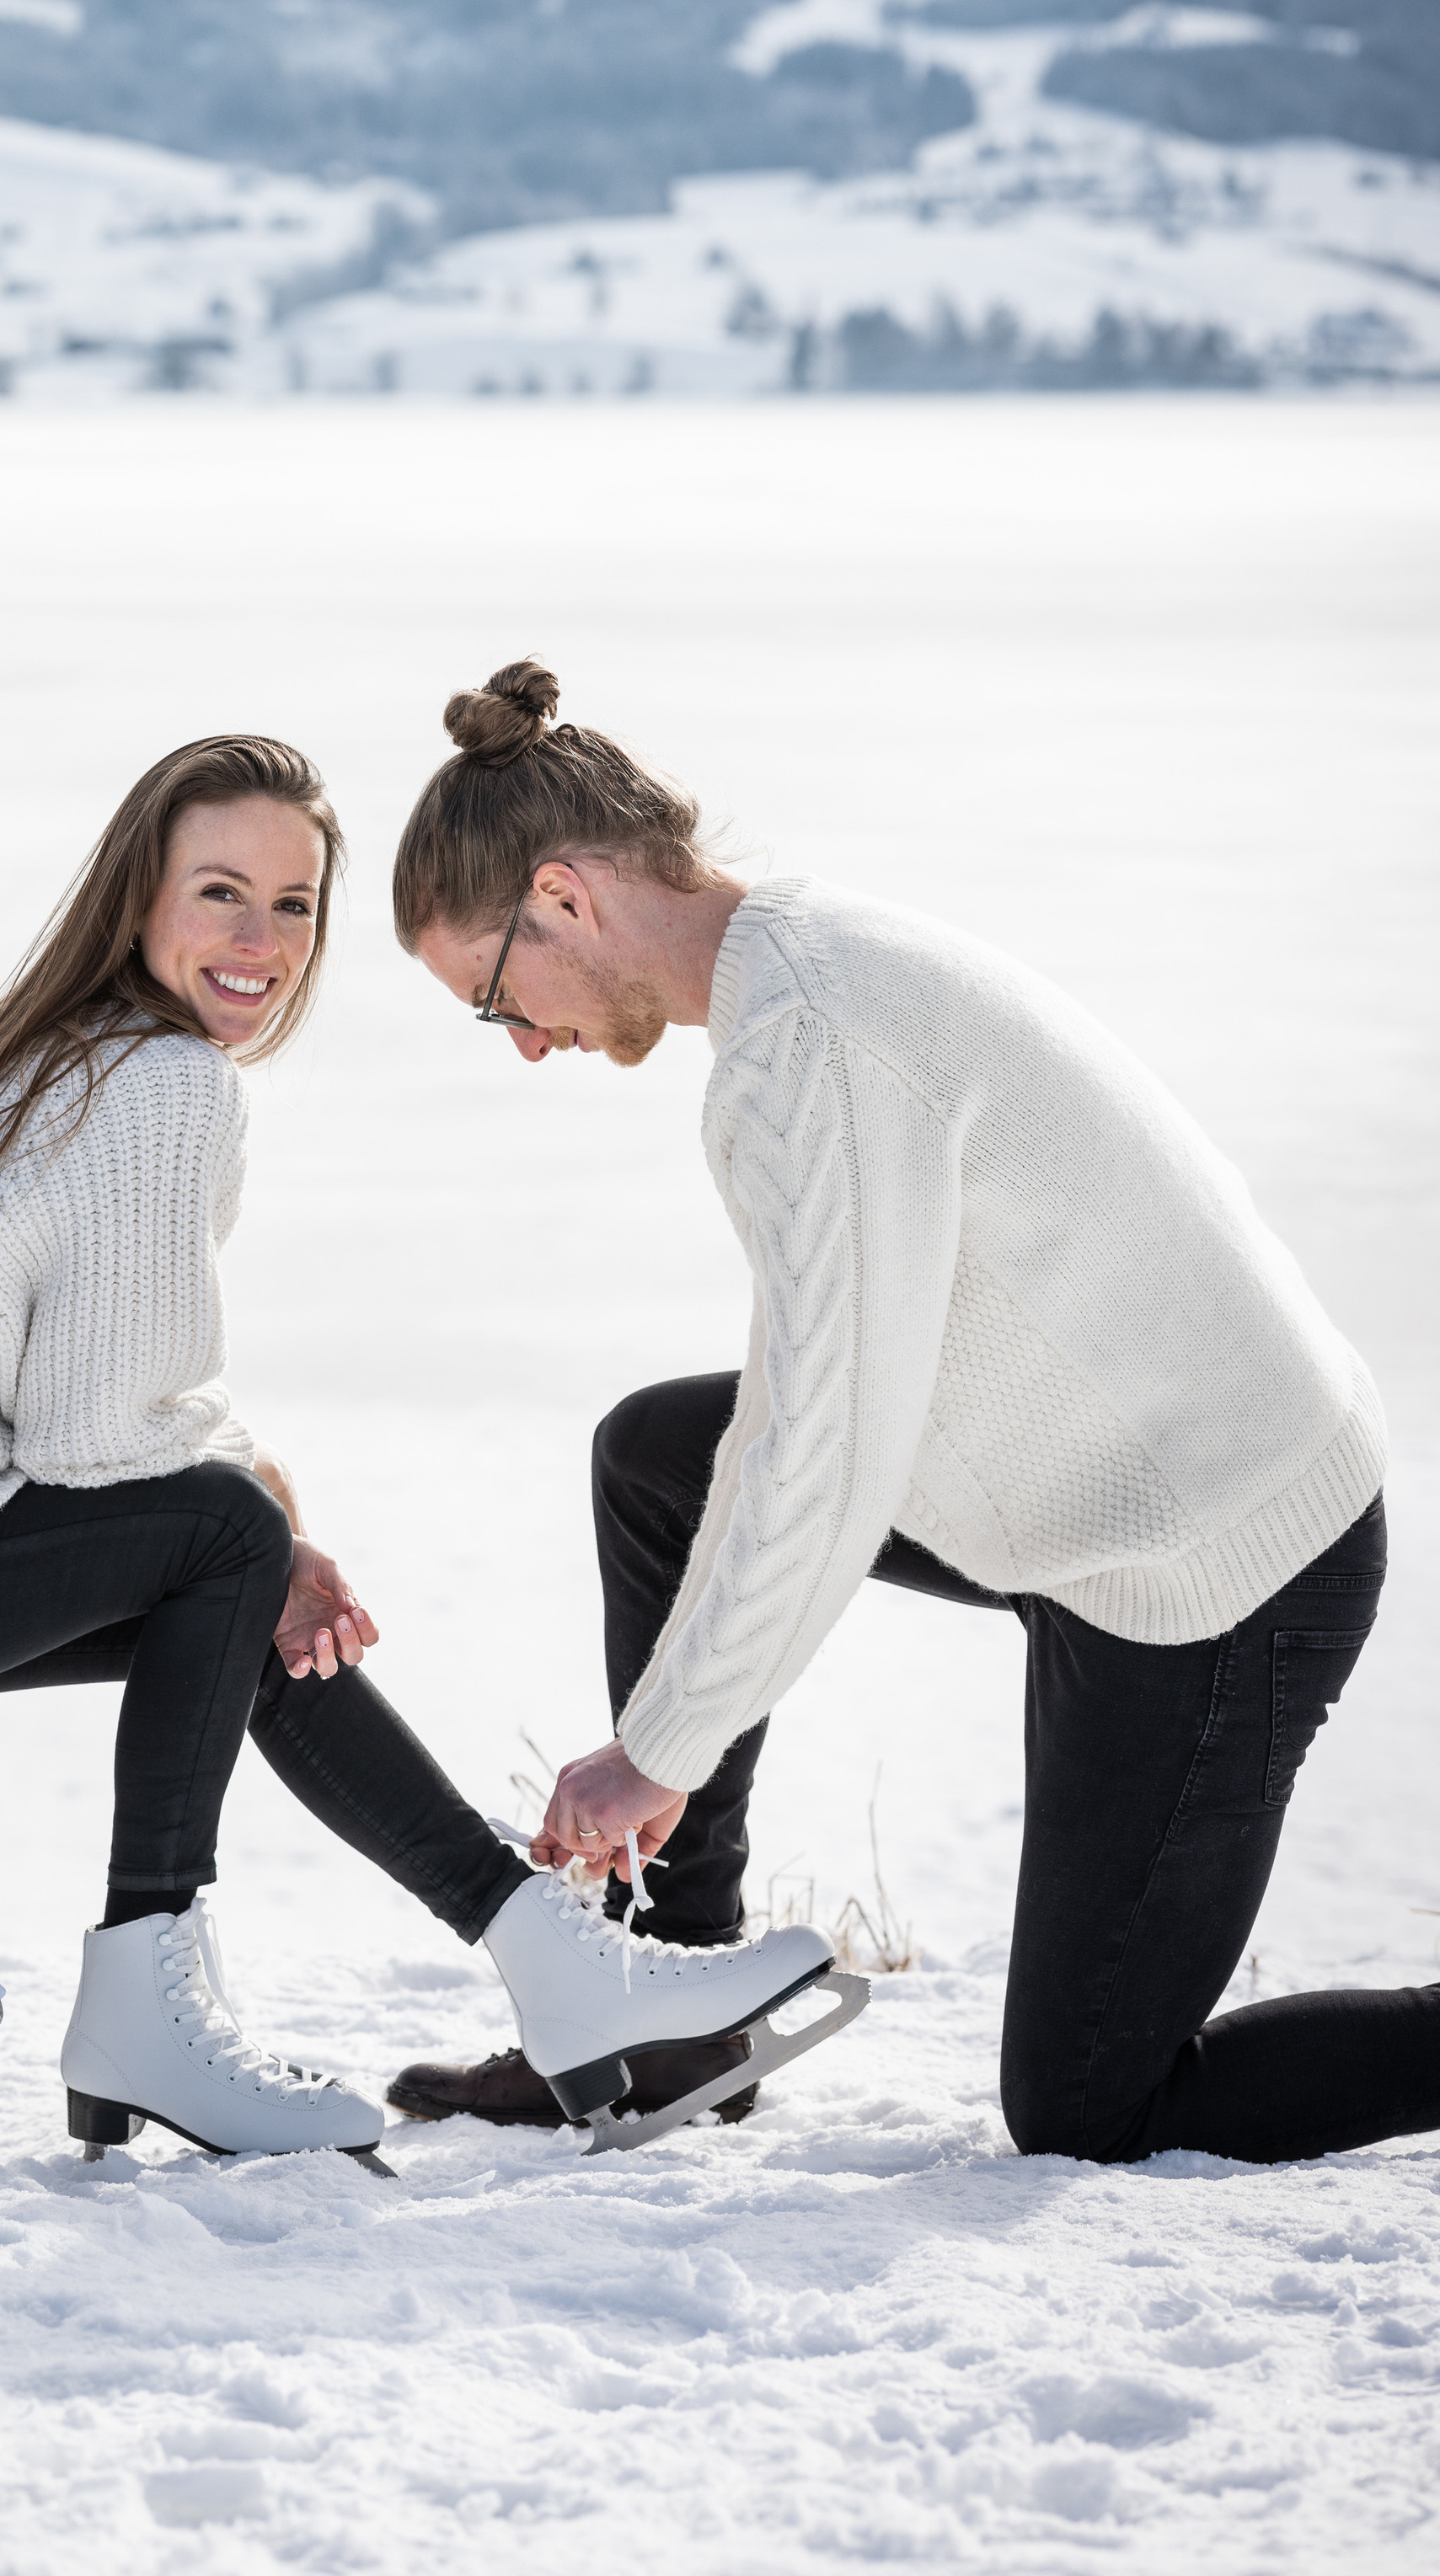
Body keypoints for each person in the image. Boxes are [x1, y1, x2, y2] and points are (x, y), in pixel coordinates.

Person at [0, 734, 830, 2158]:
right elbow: (96, 1435)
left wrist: (256, 1518)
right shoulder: (160, 1085)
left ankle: (551, 1960)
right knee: (223, 1544)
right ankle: (155, 1997)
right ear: (139, 903)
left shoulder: (61, 1055)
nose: (261, 941)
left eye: (294, 906)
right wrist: (267, 1519)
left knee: (230, 1569)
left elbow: (99, 1413)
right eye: (222, 892)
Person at [384, 658, 1439, 2168]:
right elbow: (801, 1404)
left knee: (1091, 2106)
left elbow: (827, 1449)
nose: (527, 1041)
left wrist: (662, 1747)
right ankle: (679, 2005)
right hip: (1101, 1501)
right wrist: (671, 1730)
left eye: (495, 997)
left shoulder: (810, 1036)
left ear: (561, 896)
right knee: (663, 1461)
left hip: (1221, 1565)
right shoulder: (794, 964)